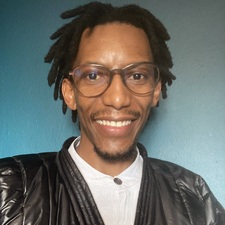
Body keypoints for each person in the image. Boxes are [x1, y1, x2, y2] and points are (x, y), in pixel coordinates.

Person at [0, 2, 224, 224]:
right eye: (93, 75)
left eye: (137, 76)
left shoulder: (193, 195)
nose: (117, 99)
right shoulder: (9, 189)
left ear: (155, 92)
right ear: (70, 93)